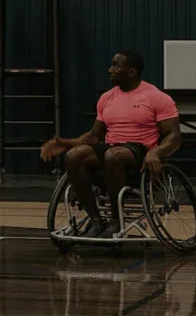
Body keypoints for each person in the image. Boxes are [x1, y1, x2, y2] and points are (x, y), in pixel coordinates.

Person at [40, 50, 181, 238]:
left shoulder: (156, 97)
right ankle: (96, 221)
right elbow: (94, 135)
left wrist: (157, 152)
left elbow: (174, 136)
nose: (110, 70)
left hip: (139, 150)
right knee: (75, 156)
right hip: (112, 147)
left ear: (131, 72)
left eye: (116, 66)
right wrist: (66, 144)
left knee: (113, 155)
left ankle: (116, 221)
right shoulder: (107, 98)